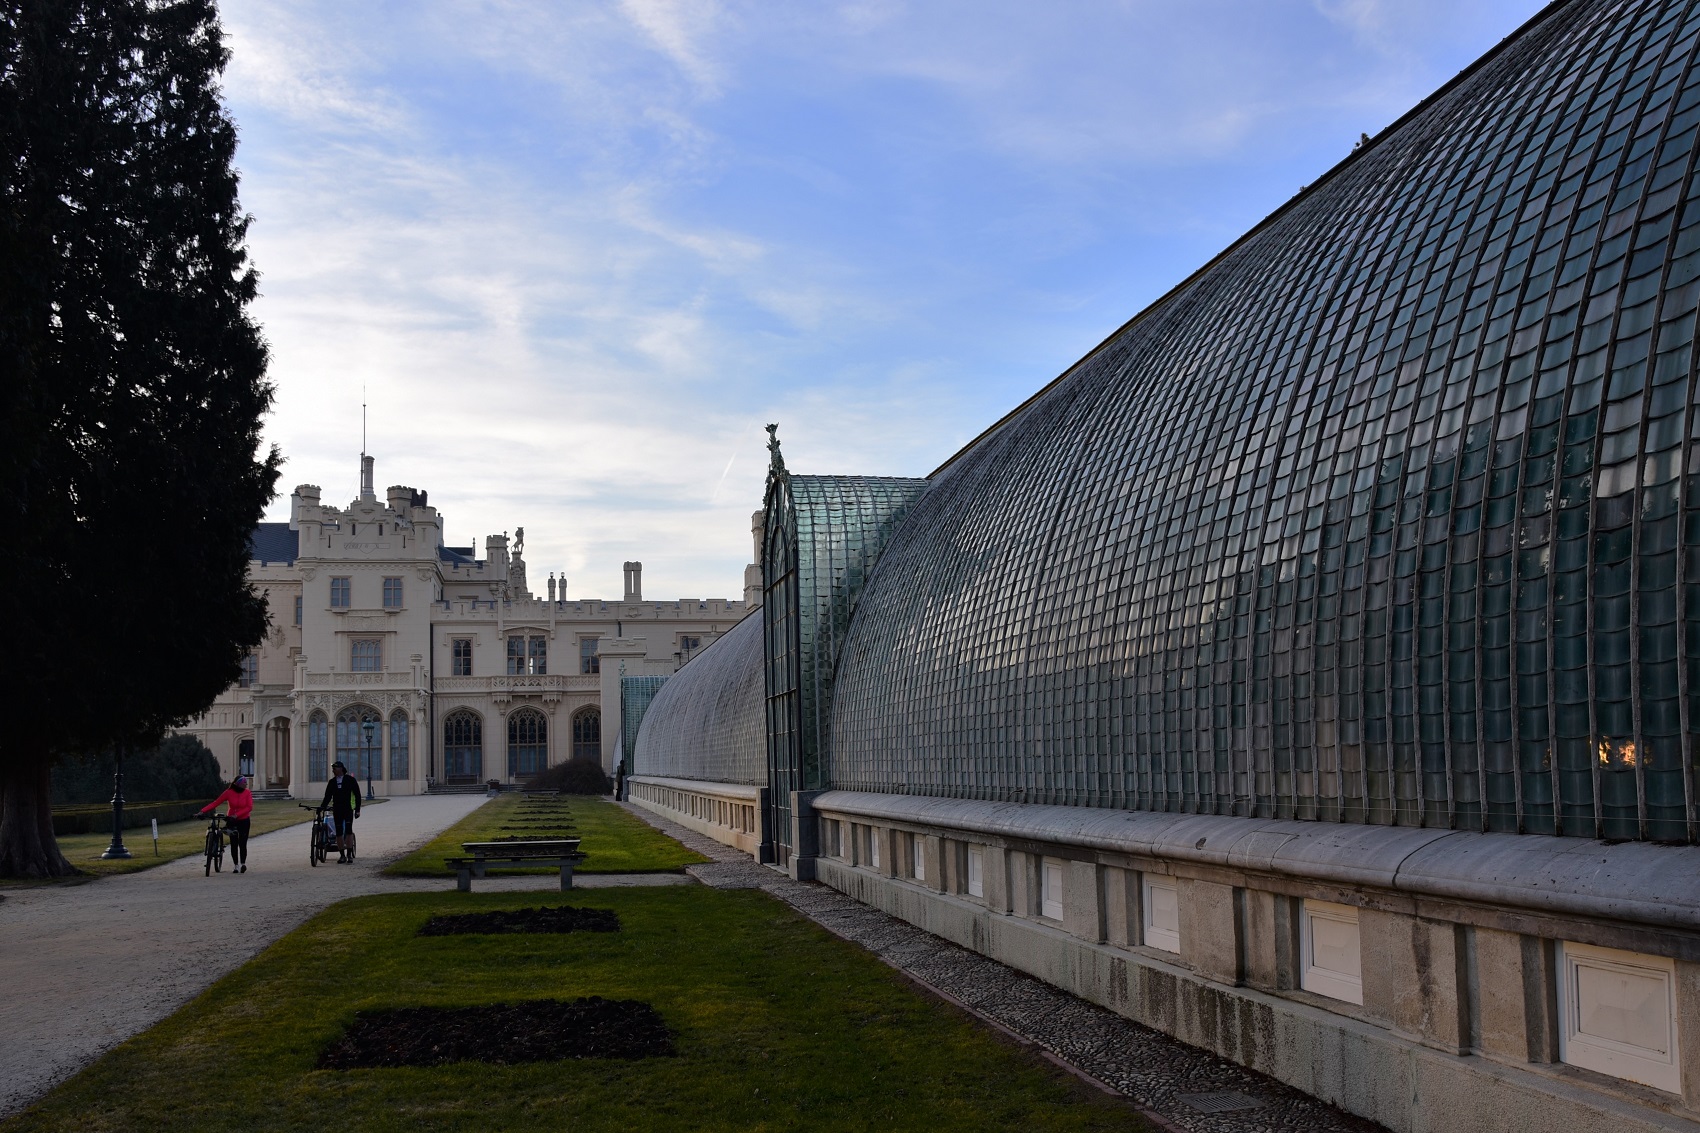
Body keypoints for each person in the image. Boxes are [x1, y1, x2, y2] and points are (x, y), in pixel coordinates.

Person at [200, 775, 254, 874]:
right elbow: (216, 802)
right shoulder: (229, 792)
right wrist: (202, 811)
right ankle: (236, 865)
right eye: (244, 783)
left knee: (242, 842)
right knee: (234, 842)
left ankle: (243, 863)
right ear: (238, 784)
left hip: (244, 820)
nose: (246, 784)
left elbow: (249, 807)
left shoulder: (247, 792)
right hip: (232, 820)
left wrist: (237, 815)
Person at [321, 760, 362, 863]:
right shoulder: (332, 782)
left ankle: (349, 854)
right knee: (338, 832)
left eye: (335, 768)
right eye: (333, 769)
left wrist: (357, 809)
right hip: (337, 809)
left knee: (348, 831)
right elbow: (327, 796)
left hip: (347, 809)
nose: (333, 770)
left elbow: (357, 795)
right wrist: (322, 807)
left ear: (341, 769)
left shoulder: (350, 780)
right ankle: (342, 855)